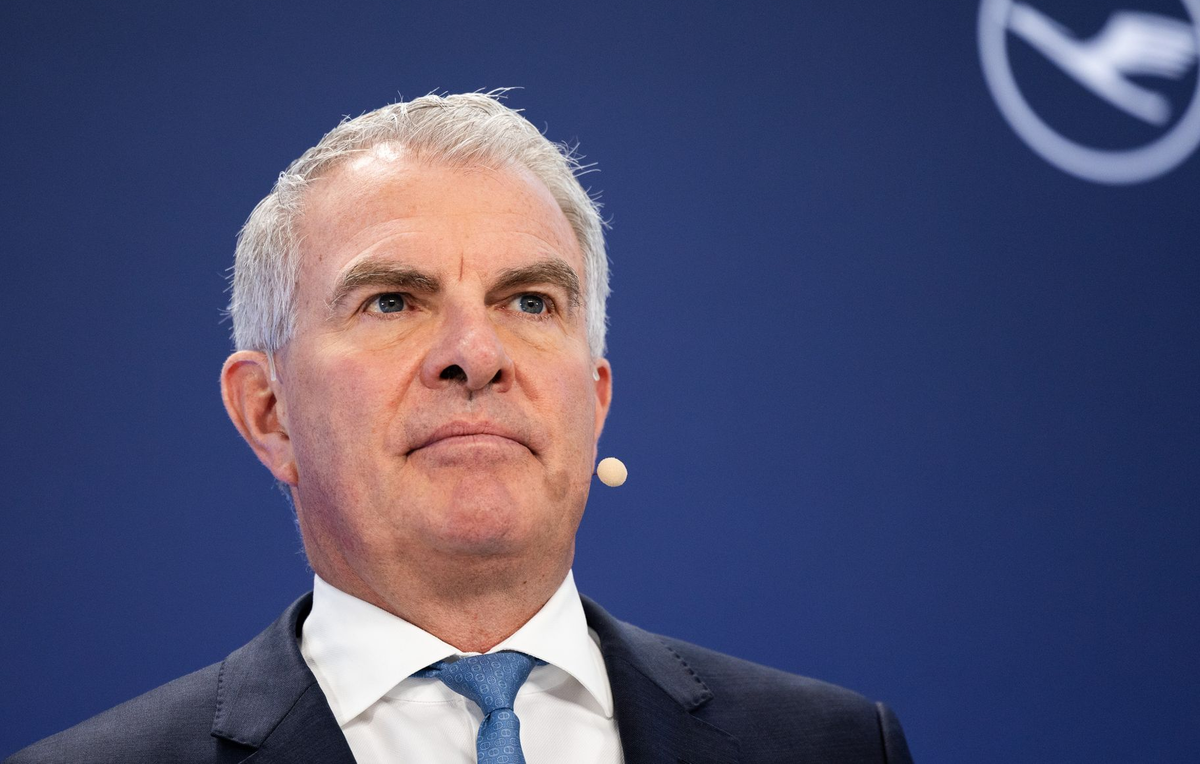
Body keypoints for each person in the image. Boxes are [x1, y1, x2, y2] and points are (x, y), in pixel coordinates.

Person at [6, 92, 914, 764]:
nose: (476, 355)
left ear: (595, 402)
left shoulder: (833, 747)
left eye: (531, 300)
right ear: (269, 413)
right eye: (392, 300)